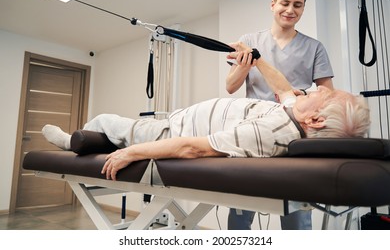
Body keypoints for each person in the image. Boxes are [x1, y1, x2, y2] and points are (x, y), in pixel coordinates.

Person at [42, 44, 370, 185]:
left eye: (324, 93)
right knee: (118, 129)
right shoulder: (293, 115)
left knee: (105, 121)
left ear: (316, 120)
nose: (317, 88)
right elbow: (285, 89)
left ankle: (74, 143)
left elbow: (193, 148)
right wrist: (255, 59)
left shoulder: (271, 131)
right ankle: (106, 141)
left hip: (168, 134)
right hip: (177, 121)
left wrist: (132, 152)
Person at [225, 0, 334, 230]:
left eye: (298, 5)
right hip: (254, 128)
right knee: (242, 206)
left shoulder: (314, 47)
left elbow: (328, 93)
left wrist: (304, 92)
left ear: (303, 9)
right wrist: (245, 64)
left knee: (295, 207)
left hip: (293, 129)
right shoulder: (250, 40)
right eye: (285, 3)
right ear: (273, 5)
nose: (290, 10)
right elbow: (231, 86)